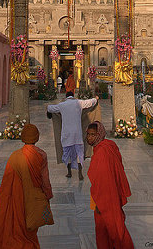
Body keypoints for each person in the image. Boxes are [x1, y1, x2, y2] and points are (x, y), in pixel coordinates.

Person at [0, 123, 53, 249]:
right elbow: (45, 180)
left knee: (16, 225)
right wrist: (48, 195)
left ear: (23, 137)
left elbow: (7, 181)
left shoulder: (15, 156)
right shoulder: (41, 155)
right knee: (30, 226)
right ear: (37, 137)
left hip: (16, 198)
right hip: (33, 199)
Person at [86, 121, 134, 249]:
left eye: (93, 135)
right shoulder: (108, 145)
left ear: (99, 134)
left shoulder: (102, 152)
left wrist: (99, 203)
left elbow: (102, 180)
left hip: (104, 198)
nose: (90, 137)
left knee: (111, 229)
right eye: (88, 134)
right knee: (114, 227)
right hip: (109, 194)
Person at [47, 91, 98, 180]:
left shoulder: (62, 105)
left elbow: (51, 108)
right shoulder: (78, 103)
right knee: (79, 153)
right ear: (73, 96)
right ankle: (80, 173)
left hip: (66, 133)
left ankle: (69, 172)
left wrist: (47, 107)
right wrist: (96, 99)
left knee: (67, 153)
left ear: (66, 97)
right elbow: (90, 102)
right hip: (77, 133)